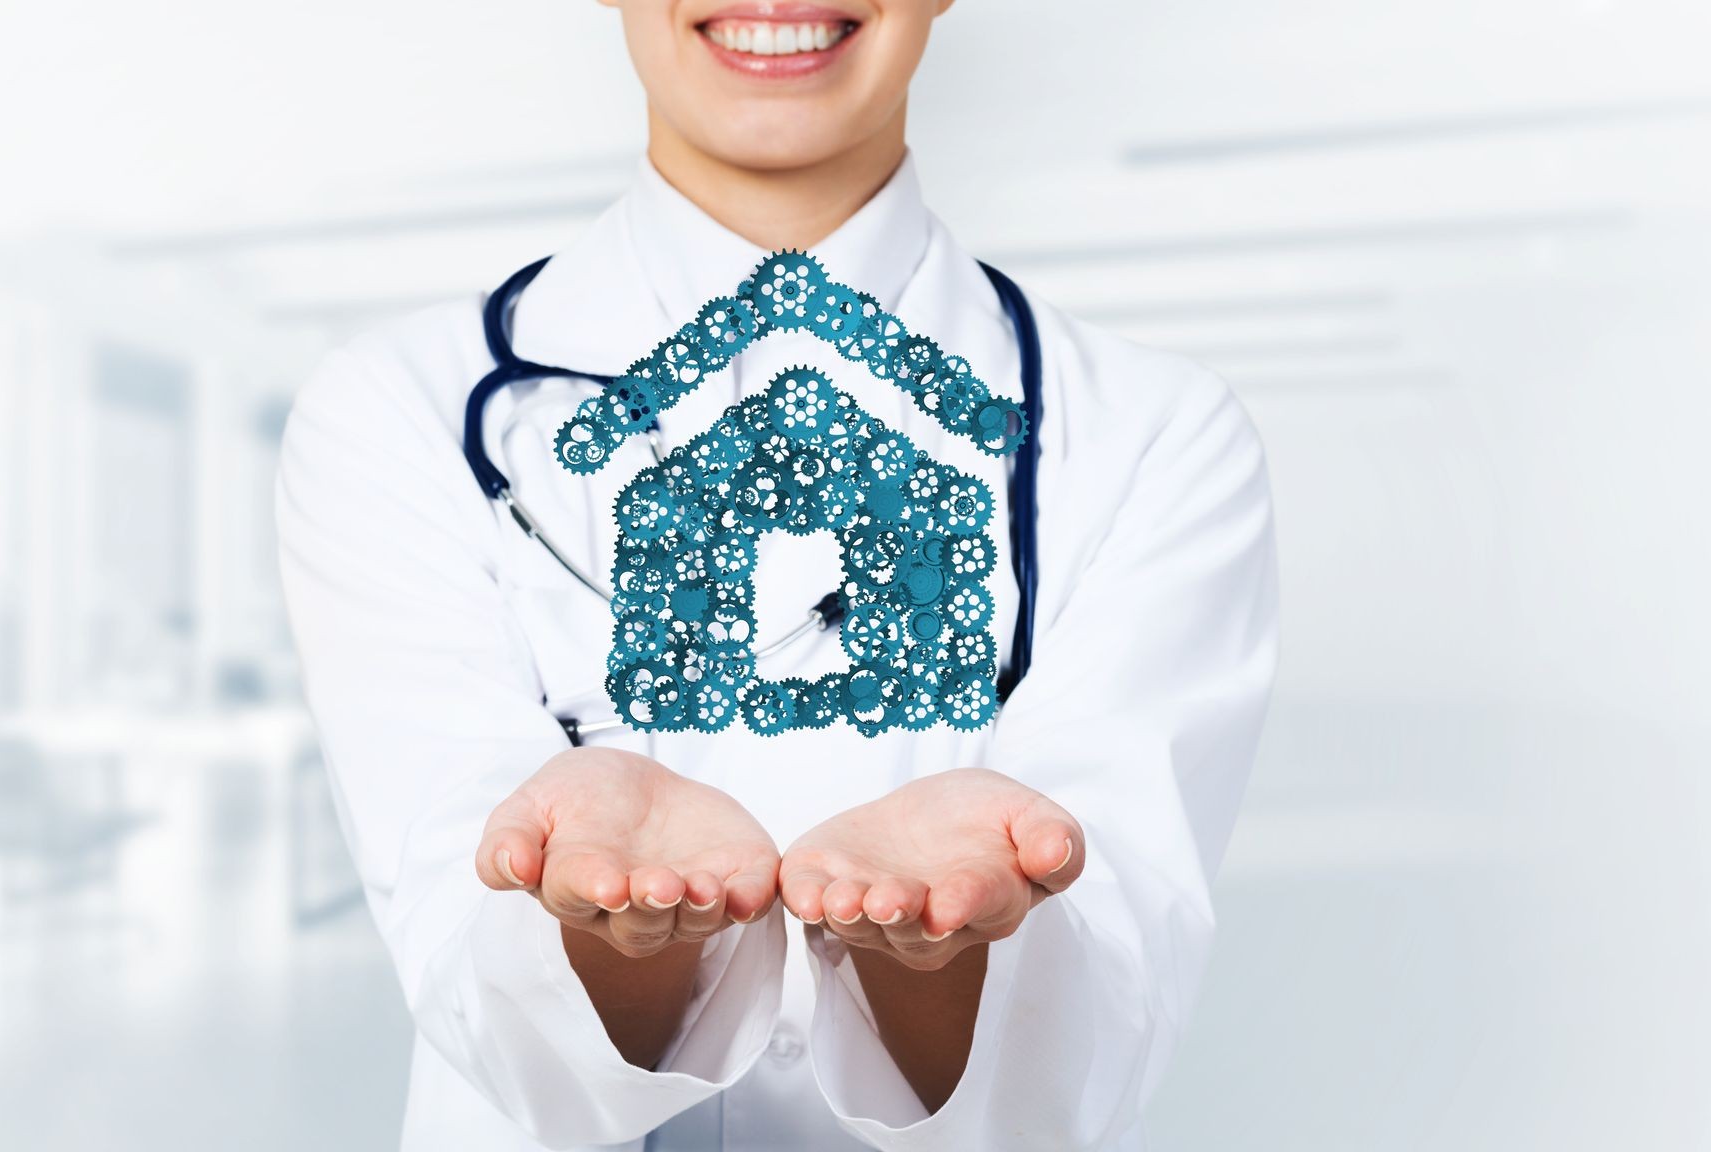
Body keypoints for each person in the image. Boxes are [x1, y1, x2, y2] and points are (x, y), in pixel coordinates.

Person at [274, 1, 1279, 1149]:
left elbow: (1088, 1038)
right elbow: (474, 987)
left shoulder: (1156, 437)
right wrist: (619, 933)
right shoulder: (397, 410)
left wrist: (933, 959)